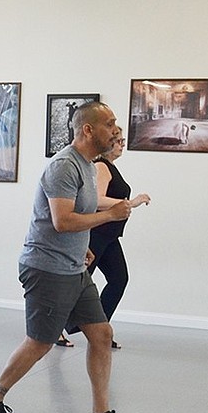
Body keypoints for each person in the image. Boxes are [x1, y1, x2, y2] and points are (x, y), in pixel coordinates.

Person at [0, 101, 144, 413]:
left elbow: (86, 206)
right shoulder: (64, 166)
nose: (116, 130)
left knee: (101, 334)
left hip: (73, 269)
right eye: (110, 124)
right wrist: (111, 216)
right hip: (47, 268)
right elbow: (62, 220)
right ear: (88, 130)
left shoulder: (88, 166)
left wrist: (99, 232)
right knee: (40, 343)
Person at [62, 127, 151, 349]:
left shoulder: (111, 167)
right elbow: (98, 200)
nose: (122, 144)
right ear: (107, 143)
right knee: (77, 285)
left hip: (110, 236)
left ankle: (99, 330)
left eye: (122, 140)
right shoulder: (101, 166)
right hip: (97, 234)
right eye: (118, 140)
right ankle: (60, 327)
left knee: (119, 279)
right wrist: (132, 202)